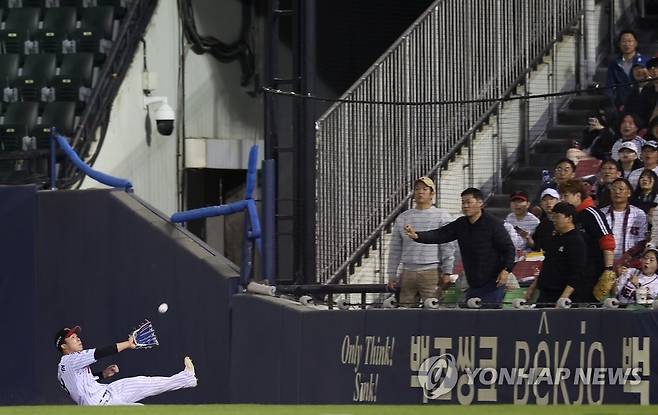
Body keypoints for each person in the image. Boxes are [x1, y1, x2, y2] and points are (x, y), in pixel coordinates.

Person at [404, 187, 515, 307]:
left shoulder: (493, 224)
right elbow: (440, 234)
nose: (465, 206)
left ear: (480, 203)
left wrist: (506, 270)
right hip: (473, 282)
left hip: (494, 282)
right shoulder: (461, 224)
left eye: (468, 202)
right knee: (471, 319)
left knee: (489, 316)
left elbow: (509, 248)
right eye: (463, 202)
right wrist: (417, 235)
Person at [56, 325, 197, 406]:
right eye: (72, 338)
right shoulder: (71, 360)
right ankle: (186, 379)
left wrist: (102, 374)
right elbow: (101, 352)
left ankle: (186, 378)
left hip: (107, 391)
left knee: (144, 382)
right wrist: (128, 344)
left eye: (76, 336)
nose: (78, 338)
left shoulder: (63, 367)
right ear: (63, 345)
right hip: (101, 406)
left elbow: (79, 384)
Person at [386, 177, 455, 306]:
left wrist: (447, 271)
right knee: (404, 310)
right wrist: (392, 275)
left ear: (432, 193)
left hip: (432, 271)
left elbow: (447, 246)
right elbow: (395, 248)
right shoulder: (403, 217)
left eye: (425, 189)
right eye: (417, 189)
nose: (420, 192)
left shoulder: (442, 215)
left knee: (433, 309)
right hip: (407, 271)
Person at [559, 179, 616, 302]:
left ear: (578, 195)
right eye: (561, 196)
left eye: (566, 195)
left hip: (593, 273)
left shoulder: (592, 213)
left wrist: (608, 270)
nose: (562, 199)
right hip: (575, 273)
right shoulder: (569, 216)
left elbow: (607, 240)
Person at [524, 202, 586, 305]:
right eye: (553, 217)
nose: (554, 221)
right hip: (545, 294)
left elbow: (577, 274)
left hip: (561, 296)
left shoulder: (576, 241)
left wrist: (563, 299)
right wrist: (532, 288)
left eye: (557, 217)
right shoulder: (555, 238)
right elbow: (547, 265)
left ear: (569, 218)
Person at [600, 178, 647, 264]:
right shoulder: (601, 213)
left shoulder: (639, 214)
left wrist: (627, 257)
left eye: (621, 189)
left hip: (631, 262)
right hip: (604, 261)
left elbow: (642, 241)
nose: (617, 192)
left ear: (629, 193)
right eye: (613, 189)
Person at [606, 30, 647, 112]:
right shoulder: (614, 64)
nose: (627, 44)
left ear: (636, 43)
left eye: (630, 41)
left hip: (643, 105)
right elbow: (609, 87)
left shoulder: (645, 61)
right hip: (621, 106)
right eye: (624, 41)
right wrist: (617, 104)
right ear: (619, 44)